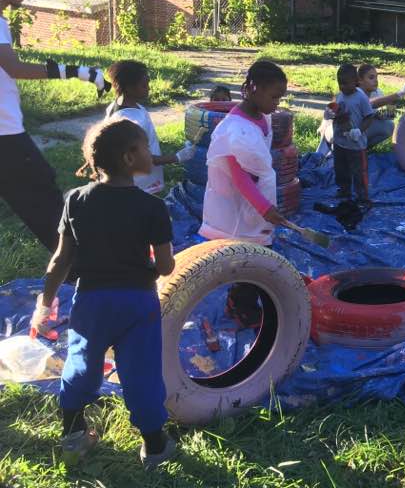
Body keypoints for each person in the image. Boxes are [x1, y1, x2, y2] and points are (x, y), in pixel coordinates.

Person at [30, 117, 178, 468]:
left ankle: (73, 433)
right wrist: (152, 261)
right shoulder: (153, 208)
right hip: (137, 302)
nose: (150, 153)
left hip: (91, 301)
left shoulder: (76, 200)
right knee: (141, 371)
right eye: (145, 147)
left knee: (81, 362)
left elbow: (60, 260)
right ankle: (155, 446)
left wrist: (45, 301)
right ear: (130, 157)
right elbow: (166, 267)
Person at [0, 0, 109, 253]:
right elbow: (15, 68)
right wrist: (74, 71)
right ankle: (80, 270)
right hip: (5, 135)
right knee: (45, 201)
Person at [199, 61, 287, 328]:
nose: (277, 103)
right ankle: (241, 307)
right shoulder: (236, 130)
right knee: (252, 257)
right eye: (274, 97)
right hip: (243, 204)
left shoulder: (260, 117)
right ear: (251, 89)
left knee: (258, 253)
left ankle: (245, 299)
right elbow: (239, 176)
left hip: (254, 201)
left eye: (280, 98)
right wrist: (263, 208)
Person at [76, 60, 195, 194]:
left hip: (135, 180)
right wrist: (177, 157)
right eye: (144, 85)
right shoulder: (130, 120)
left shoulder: (121, 106)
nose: (148, 88)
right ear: (129, 88)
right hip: (136, 183)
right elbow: (138, 156)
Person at [326, 63, 375, 204]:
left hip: (356, 145)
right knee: (340, 169)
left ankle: (362, 196)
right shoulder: (340, 96)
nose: (342, 87)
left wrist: (359, 131)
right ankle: (344, 190)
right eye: (340, 83)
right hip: (340, 142)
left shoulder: (361, 98)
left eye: (346, 83)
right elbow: (335, 111)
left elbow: (369, 117)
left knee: (358, 172)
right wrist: (329, 114)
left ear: (356, 82)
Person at [357, 63, 405, 149]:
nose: (376, 81)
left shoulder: (377, 92)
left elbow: (390, 116)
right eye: (371, 78)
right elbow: (370, 103)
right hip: (348, 131)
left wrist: (391, 105)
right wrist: (400, 93)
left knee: (389, 126)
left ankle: (363, 149)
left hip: (361, 130)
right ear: (360, 80)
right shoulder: (356, 92)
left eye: (376, 77)